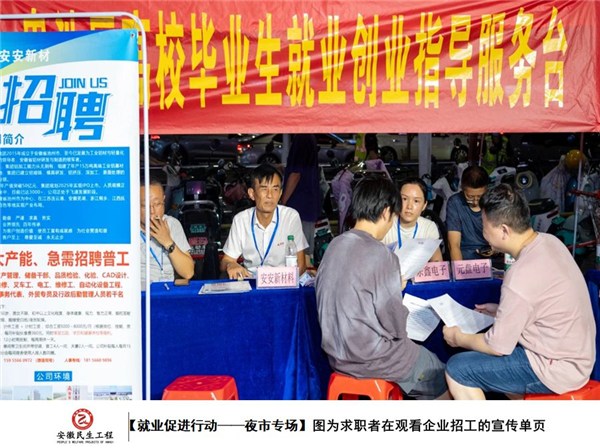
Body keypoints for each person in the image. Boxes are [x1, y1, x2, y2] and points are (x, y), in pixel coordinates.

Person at [443, 184, 596, 399]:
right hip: (578, 356)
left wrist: (458, 338)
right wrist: (501, 310)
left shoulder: (519, 275)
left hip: (556, 368)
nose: (483, 233)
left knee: (458, 369)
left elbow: (497, 346)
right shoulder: (550, 242)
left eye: (484, 226)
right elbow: (543, 303)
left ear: (504, 230)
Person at [316, 176, 449, 400]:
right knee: (440, 373)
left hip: (337, 356)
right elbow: (395, 326)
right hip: (372, 358)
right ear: (387, 212)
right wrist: (396, 291)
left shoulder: (335, 245)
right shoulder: (381, 254)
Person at [221, 163, 308, 279]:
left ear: (280, 194)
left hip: (283, 282)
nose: (270, 195)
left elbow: (301, 266)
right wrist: (231, 264)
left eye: (275, 189)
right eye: (264, 189)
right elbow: (226, 261)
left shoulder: (290, 217)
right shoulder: (241, 220)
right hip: (251, 282)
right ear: (252, 194)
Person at [140, 177, 195, 290]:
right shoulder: (125, 230)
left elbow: (188, 272)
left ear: (164, 200)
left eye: (157, 204)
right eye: (145, 206)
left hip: (166, 290)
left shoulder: (172, 224)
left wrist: (167, 241)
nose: (152, 211)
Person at [281, 134, 321, 265]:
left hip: (299, 205)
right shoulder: (309, 137)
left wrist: (283, 202)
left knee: (298, 253)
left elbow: (296, 174)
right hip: (308, 205)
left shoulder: (302, 137)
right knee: (305, 253)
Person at [382, 177, 443, 262]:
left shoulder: (429, 227)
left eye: (416, 201)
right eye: (404, 199)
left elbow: (437, 261)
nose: (409, 206)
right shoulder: (385, 223)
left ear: (424, 205)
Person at [445, 165, 490, 260]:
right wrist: (459, 267)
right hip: (465, 258)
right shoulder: (455, 203)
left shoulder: (493, 202)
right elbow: (454, 245)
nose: (475, 202)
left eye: (480, 197)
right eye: (470, 197)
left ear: (487, 189)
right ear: (462, 187)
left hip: (491, 258)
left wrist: (495, 250)